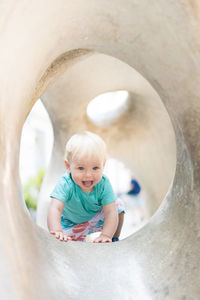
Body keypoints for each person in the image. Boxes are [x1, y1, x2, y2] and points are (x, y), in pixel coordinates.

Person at [47, 131, 125, 243]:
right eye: (81, 168)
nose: (88, 175)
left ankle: (114, 238)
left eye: (95, 168)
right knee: (69, 244)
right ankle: (69, 236)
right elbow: (55, 208)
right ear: (68, 166)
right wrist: (57, 230)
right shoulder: (65, 183)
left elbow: (110, 212)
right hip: (71, 224)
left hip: (96, 220)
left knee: (118, 205)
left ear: (103, 165)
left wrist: (106, 234)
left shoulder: (103, 183)